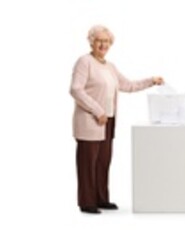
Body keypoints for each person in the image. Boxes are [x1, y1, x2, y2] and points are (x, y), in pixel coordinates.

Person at [70, 25, 164, 214]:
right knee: (88, 163)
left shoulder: (110, 67)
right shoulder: (84, 62)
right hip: (91, 121)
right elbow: (75, 89)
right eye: (99, 40)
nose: (103, 44)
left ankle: (101, 199)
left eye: (106, 41)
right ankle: (87, 202)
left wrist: (151, 81)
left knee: (103, 162)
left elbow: (128, 85)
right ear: (91, 42)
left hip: (108, 121)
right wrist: (97, 111)